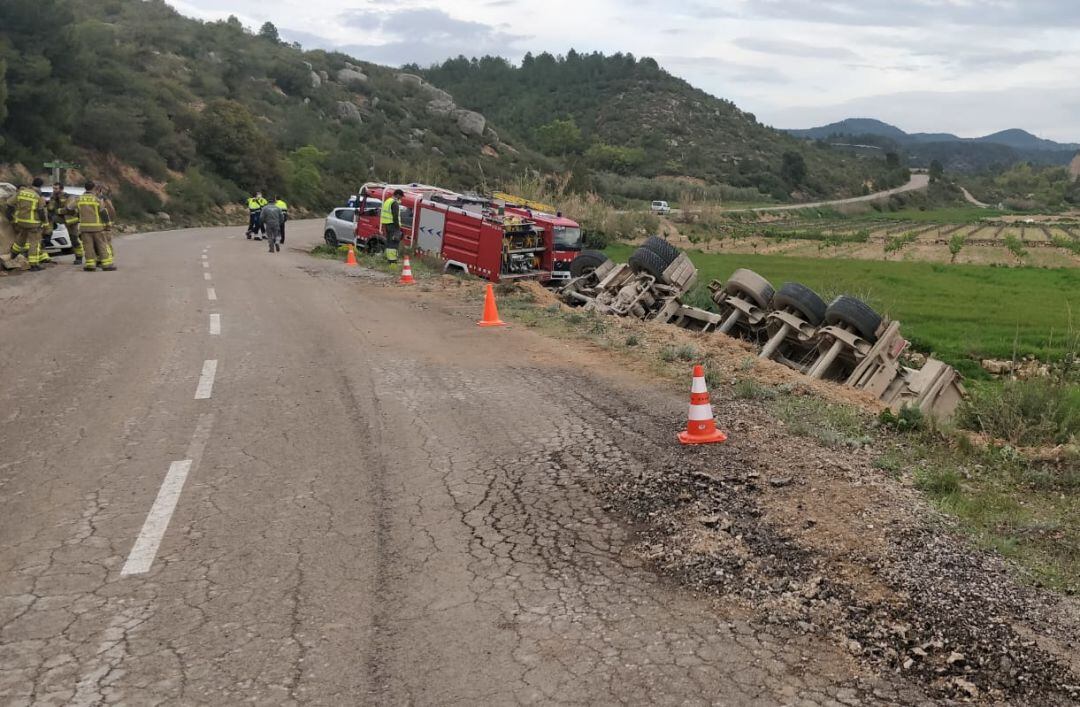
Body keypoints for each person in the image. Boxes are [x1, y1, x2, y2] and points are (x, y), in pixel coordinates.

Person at [3, 178, 51, 272]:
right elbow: (42, 212)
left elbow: (9, 203)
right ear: (40, 186)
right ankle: (34, 265)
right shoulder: (38, 197)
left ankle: (12, 256)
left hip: (21, 222)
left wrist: (11, 218)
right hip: (33, 224)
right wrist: (45, 224)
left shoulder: (21, 192)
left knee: (21, 239)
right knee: (34, 243)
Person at [73, 180, 115, 271]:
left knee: (88, 247)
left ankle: (90, 265)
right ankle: (106, 265)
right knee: (102, 246)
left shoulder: (79, 199)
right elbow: (103, 212)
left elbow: (70, 208)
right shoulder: (97, 200)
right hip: (97, 228)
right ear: (93, 188)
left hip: (84, 228)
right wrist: (108, 224)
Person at [47, 183, 84, 265]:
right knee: (47, 224)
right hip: (60, 219)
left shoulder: (69, 197)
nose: (54, 190)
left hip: (71, 220)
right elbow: (50, 208)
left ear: (61, 189)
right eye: (53, 188)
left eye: (56, 188)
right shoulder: (53, 197)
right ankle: (48, 233)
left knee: (74, 239)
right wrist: (52, 201)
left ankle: (79, 257)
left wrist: (58, 211)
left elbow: (68, 209)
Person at [380, 188, 405, 264]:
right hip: (393, 225)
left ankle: (389, 260)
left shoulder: (387, 201)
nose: (401, 198)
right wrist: (398, 228)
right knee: (394, 242)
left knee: (389, 242)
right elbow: (395, 217)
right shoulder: (394, 203)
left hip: (387, 224)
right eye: (401, 196)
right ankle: (393, 261)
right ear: (397, 195)